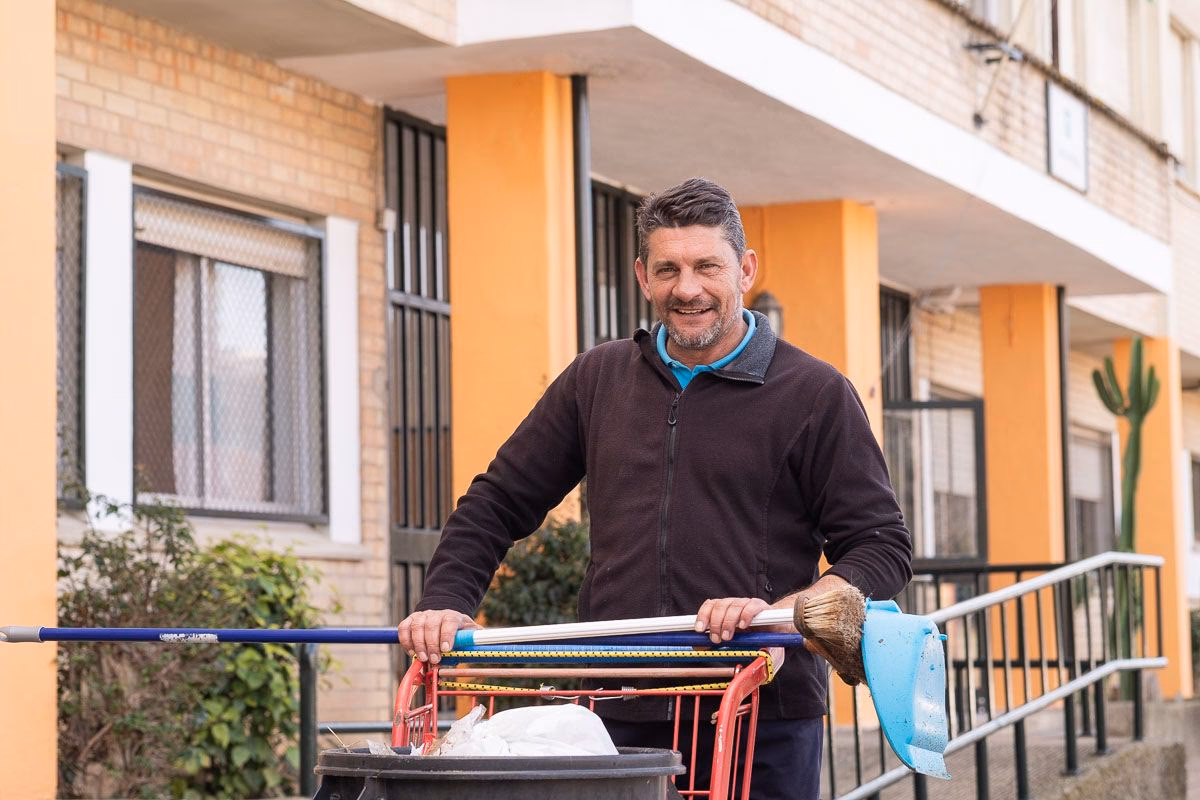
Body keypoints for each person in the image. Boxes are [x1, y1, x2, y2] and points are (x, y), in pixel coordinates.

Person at [397, 177, 912, 800]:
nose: (686, 288)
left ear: (745, 269)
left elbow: (881, 546)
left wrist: (780, 613)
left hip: (761, 712)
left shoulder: (814, 391)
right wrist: (446, 599)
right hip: (618, 711)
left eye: (706, 266)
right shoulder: (598, 378)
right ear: (643, 277)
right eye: (667, 269)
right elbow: (497, 500)